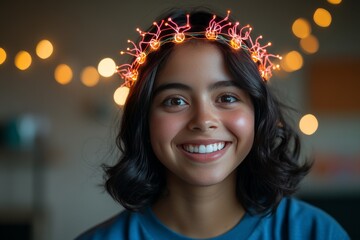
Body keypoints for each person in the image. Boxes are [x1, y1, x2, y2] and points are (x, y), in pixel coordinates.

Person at [76, 7, 350, 240]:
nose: (204, 121)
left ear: (258, 113)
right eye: (175, 101)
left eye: (227, 97)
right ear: (143, 119)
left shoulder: (314, 232)